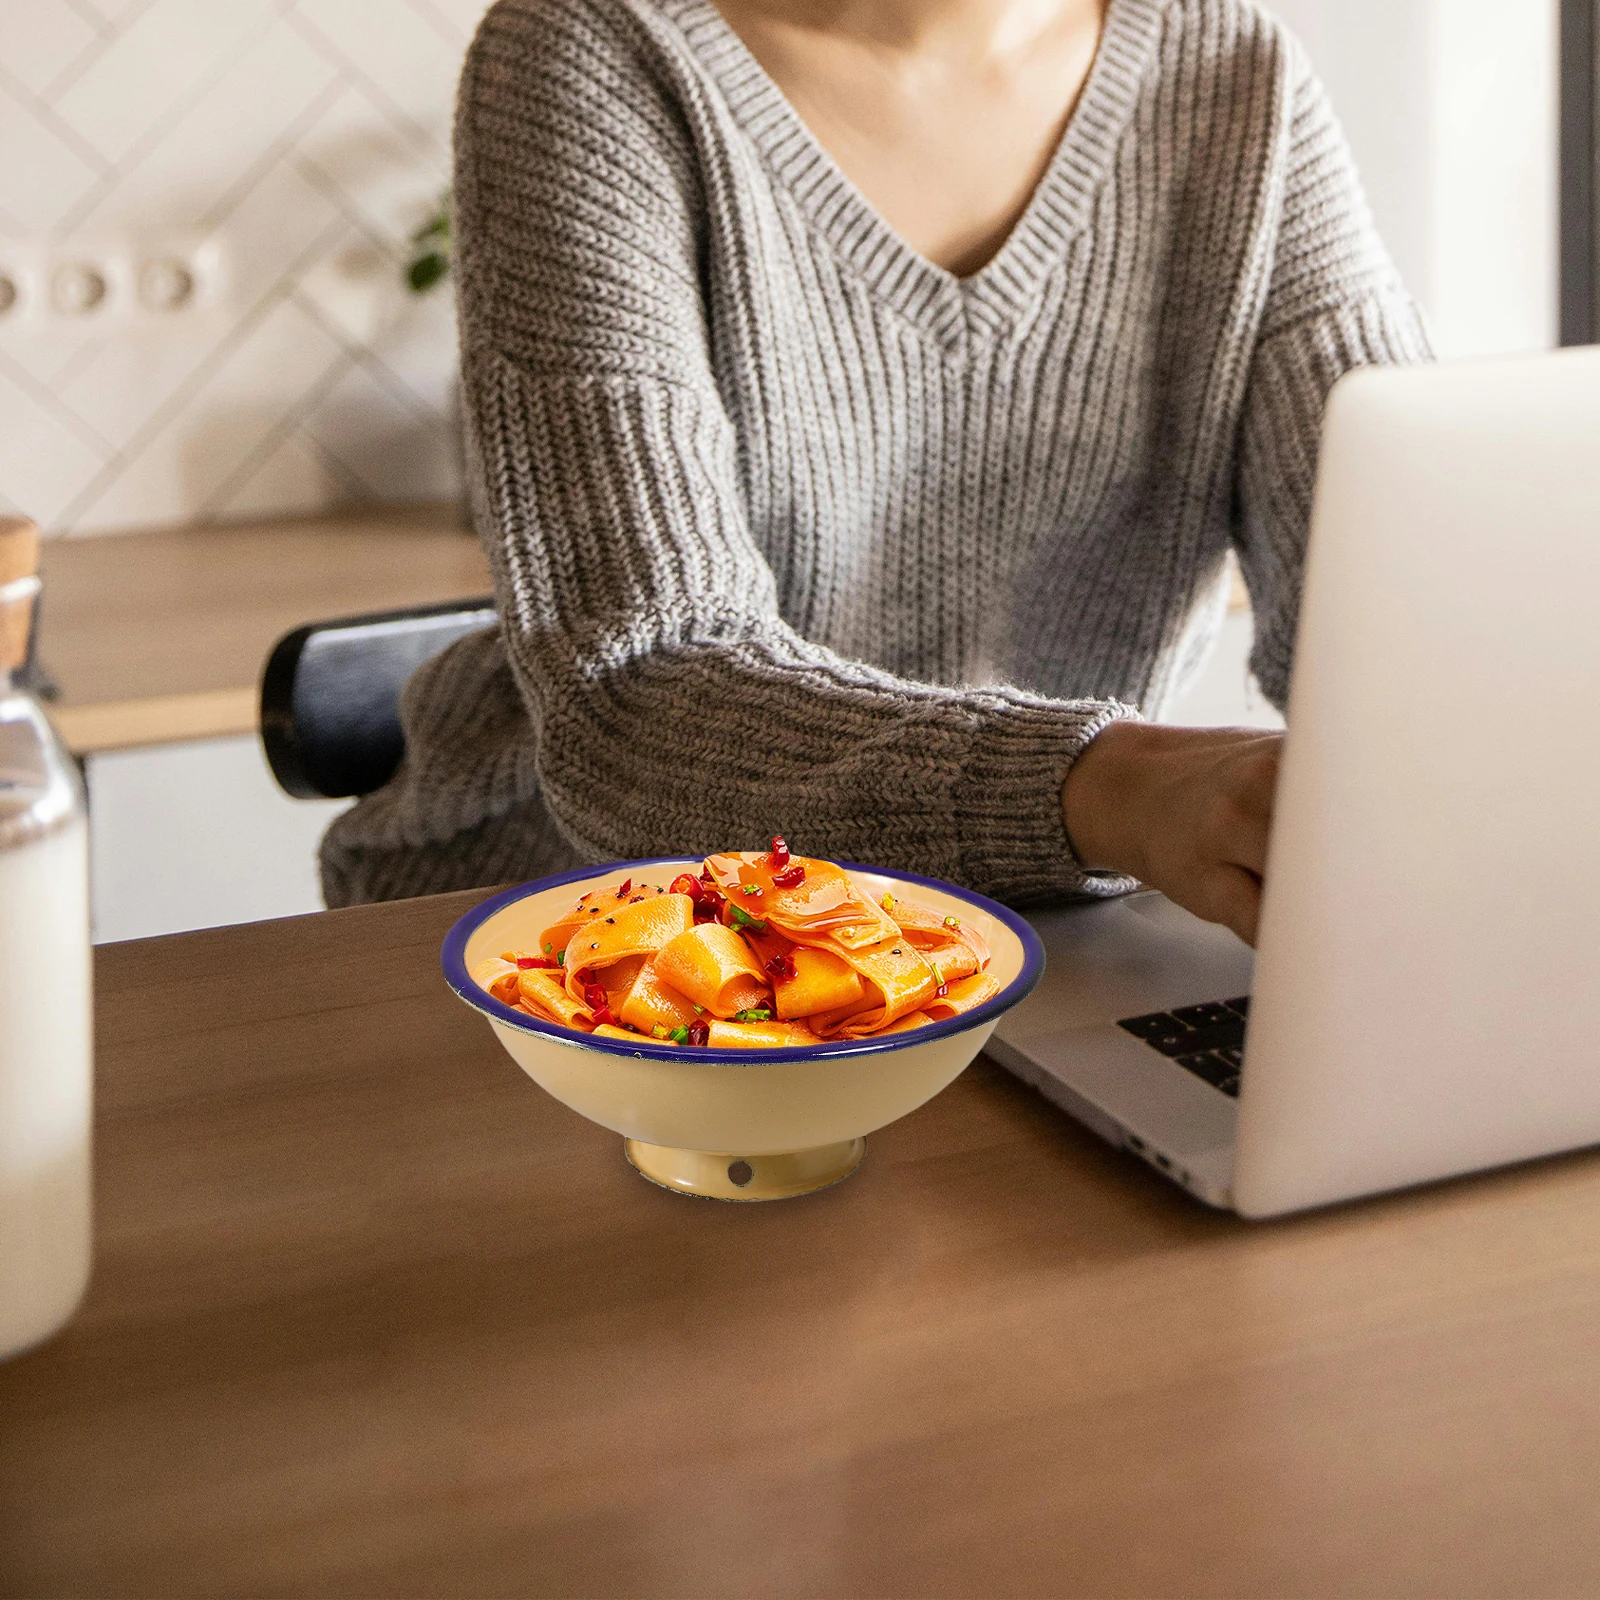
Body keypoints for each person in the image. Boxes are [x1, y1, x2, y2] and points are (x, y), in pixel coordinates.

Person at [320, 0, 1428, 945]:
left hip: (1005, 932)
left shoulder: (1237, 75)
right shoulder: (594, 51)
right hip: (581, 940)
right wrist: (1108, 786)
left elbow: (1410, 597)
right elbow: (637, 701)